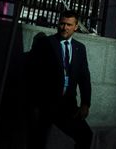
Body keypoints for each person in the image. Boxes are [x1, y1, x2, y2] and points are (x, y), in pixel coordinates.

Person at [26, 10, 93, 149]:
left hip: (67, 105)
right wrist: (35, 104)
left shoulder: (80, 48)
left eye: (69, 24)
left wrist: (86, 103)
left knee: (86, 135)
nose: (65, 27)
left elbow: (84, 77)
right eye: (62, 23)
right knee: (38, 141)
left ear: (76, 26)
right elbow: (34, 76)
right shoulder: (46, 43)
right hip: (46, 103)